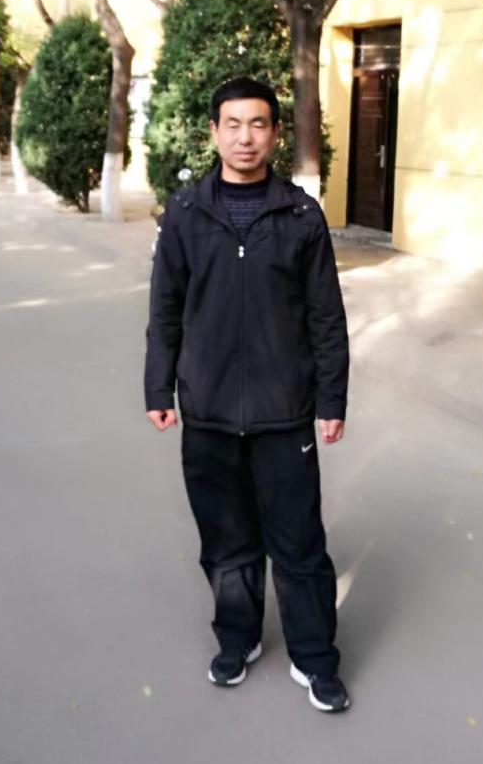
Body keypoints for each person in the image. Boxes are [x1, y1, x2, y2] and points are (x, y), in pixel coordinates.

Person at [145, 77, 351, 713]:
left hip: (283, 412)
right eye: (232, 124)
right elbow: (166, 308)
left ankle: (315, 659)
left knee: (298, 543)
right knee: (226, 541)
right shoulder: (185, 212)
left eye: (258, 124)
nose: (245, 137)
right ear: (213, 132)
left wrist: (331, 400)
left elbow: (326, 316)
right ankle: (238, 640)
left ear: (275, 134)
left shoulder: (300, 215)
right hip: (207, 409)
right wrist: (159, 385)